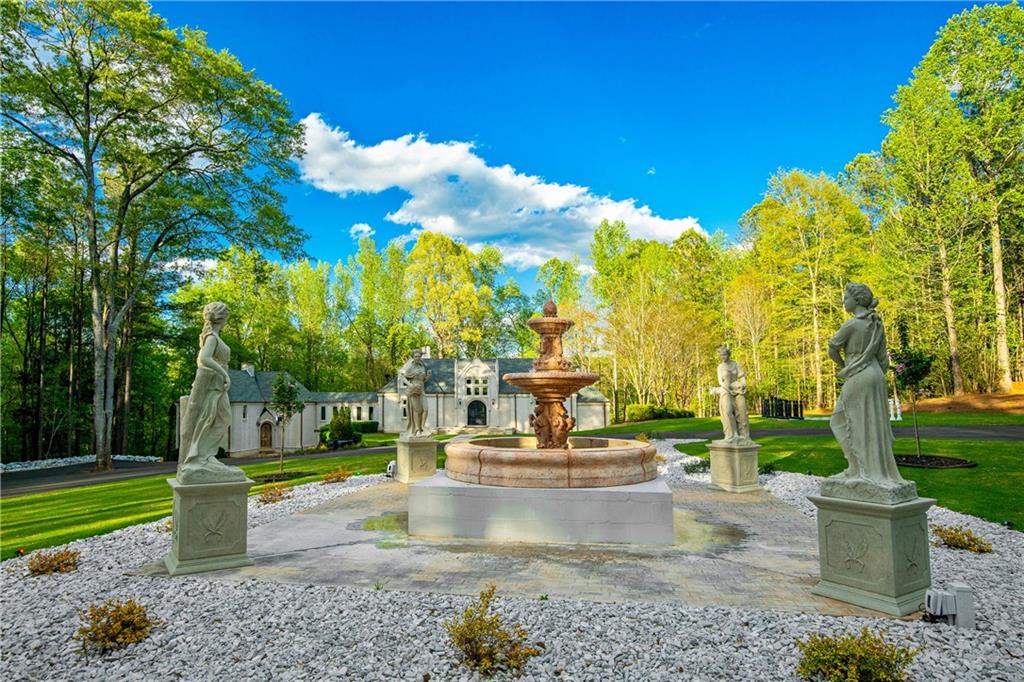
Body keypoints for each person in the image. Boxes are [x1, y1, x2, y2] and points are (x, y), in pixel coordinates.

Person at [827, 283, 908, 489]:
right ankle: (867, 469)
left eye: (846, 298)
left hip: (858, 373)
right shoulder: (876, 324)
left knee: (841, 420)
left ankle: (859, 469)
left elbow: (832, 348)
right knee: (872, 423)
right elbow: (883, 360)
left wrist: (845, 365)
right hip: (875, 374)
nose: (844, 301)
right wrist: (875, 375)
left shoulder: (852, 325)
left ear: (856, 300)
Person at [178, 302, 245, 484]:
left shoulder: (213, 336)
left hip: (216, 384)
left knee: (219, 418)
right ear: (222, 318)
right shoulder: (212, 337)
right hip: (213, 384)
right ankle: (200, 456)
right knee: (213, 419)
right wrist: (225, 374)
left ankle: (205, 455)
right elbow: (203, 359)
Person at [711, 346, 750, 443]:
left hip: (736, 389)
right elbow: (720, 382)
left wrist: (743, 384)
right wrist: (728, 390)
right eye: (721, 355)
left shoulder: (735, 364)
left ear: (728, 354)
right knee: (727, 412)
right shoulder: (720, 367)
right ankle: (731, 435)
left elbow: (741, 377)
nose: (722, 357)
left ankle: (743, 436)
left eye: (724, 355)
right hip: (725, 390)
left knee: (741, 413)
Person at [398, 349, 431, 436]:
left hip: (422, 389)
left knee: (425, 409)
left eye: (419, 356)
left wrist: (428, 376)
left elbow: (423, 380)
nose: (418, 358)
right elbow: (403, 378)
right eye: (416, 356)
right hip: (413, 390)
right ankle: (417, 428)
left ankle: (422, 426)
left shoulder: (422, 367)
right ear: (413, 357)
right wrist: (410, 385)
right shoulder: (410, 367)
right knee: (416, 410)